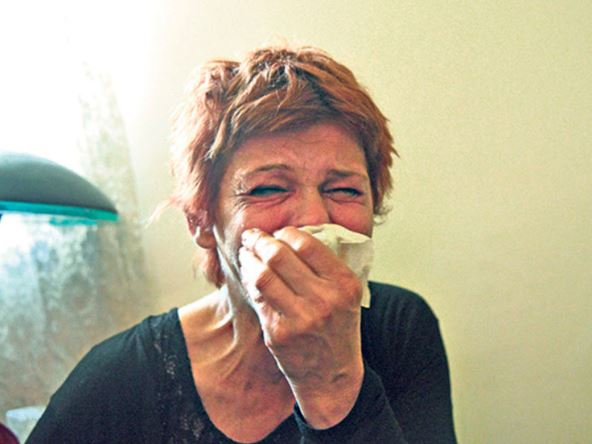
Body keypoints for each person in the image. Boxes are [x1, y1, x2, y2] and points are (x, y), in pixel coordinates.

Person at [27, 46, 456, 443]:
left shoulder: (401, 329)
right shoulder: (120, 378)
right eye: (268, 189)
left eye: (344, 190)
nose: (313, 219)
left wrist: (331, 387)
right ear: (201, 220)